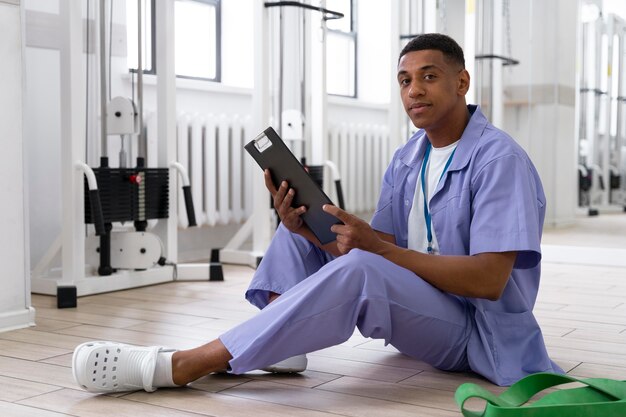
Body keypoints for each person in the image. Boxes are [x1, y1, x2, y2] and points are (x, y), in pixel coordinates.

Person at [72, 33, 562, 394]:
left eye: (429, 77)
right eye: (405, 80)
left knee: (364, 263)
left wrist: (376, 247)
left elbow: (488, 281)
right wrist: (312, 232)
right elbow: (374, 249)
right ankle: (281, 346)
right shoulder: (408, 157)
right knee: (301, 229)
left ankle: (183, 364)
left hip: (477, 332)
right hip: (425, 304)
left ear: (461, 81)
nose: (414, 90)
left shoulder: (500, 160)